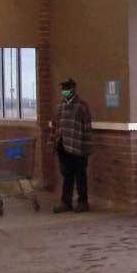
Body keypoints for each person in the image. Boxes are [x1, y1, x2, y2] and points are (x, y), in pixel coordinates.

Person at [49, 78, 92, 213]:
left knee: (80, 175)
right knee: (67, 176)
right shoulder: (59, 107)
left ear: (73, 89)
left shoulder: (81, 106)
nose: (64, 91)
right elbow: (55, 126)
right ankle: (66, 203)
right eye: (63, 88)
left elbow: (87, 128)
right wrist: (52, 142)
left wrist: (87, 148)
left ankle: (83, 202)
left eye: (67, 88)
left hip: (78, 147)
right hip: (62, 146)